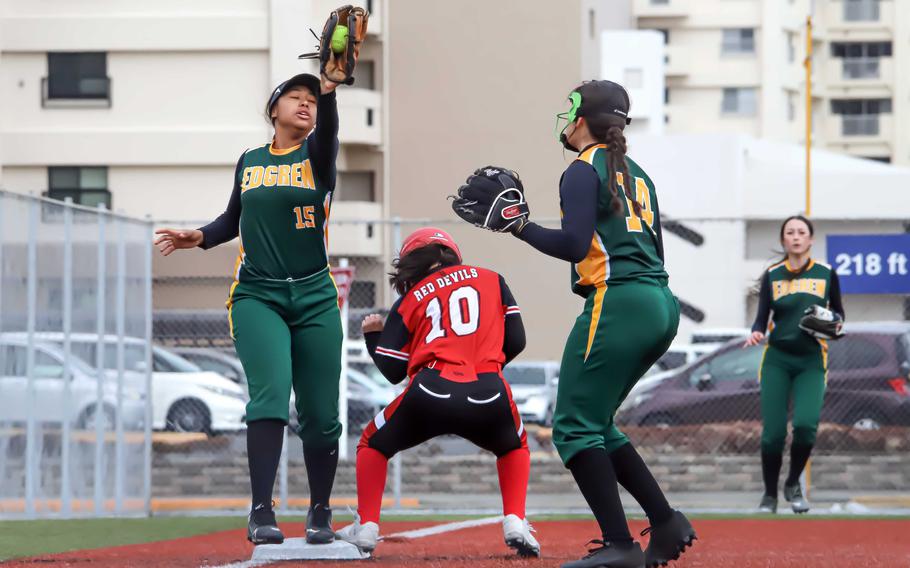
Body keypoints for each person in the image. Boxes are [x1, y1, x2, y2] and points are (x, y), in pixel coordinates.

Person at [459, 80, 697, 568]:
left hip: (619, 301)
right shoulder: (637, 173)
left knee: (571, 426)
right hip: (658, 300)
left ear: (582, 116)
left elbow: (573, 244)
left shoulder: (581, 170)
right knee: (596, 424)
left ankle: (619, 545)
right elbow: (652, 248)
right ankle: (666, 521)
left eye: (570, 110)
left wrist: (519, 226)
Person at [154, 72, 344, 545]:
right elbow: (232, 219)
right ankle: (261, 511)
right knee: (271, 396)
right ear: (273, 110)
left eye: (310, 101)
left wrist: (330, 90)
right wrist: (199, 236)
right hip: (258, 294)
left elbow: (331, 134)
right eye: (294, 98)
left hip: (316, 296)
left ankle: (320, 510)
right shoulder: (250, 160)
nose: (305, 105)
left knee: (321, 413)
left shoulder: (317, 156)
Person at [335, 227, 540, 558]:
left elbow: (392, 371)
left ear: (412, 262)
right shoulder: (493, 279)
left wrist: (373, 336)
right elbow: (516, 340)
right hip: (488, 389)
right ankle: (515, 521)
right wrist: (483, 361)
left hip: (431, 389)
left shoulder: (411, 298)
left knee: (372, 442)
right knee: (514, 447)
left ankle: (368, 525)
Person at [745, 215, 844, 514]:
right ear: (783, 240)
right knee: (773, 433)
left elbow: (839, 315)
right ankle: (769, 495)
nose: (796, 237)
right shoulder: (773, 275)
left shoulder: (827, 273)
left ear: (811, 239)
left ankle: (792, 484)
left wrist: (834, 325)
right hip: (777, 359)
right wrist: (756, 331)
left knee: (805, 426)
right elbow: (762, 317)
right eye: (790, 232)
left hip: (812, 360)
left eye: (802, 232)